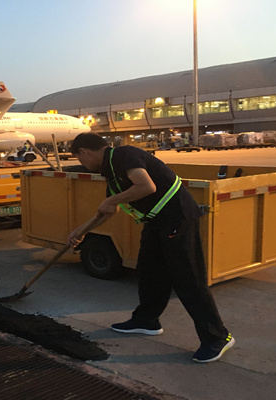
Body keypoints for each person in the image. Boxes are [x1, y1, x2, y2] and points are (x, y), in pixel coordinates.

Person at [66, 133, 234, 363]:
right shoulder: (110, 170)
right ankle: (147, 321)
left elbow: (146, 186)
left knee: (188, 279)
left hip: (177, 218)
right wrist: (82, 230)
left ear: (84, 152)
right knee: (150, 272)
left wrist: (112, 200)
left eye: (80, 158)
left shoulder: (124, 155)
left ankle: (218, 337)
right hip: (156, 222)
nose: (82, 164)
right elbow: (108, 210)